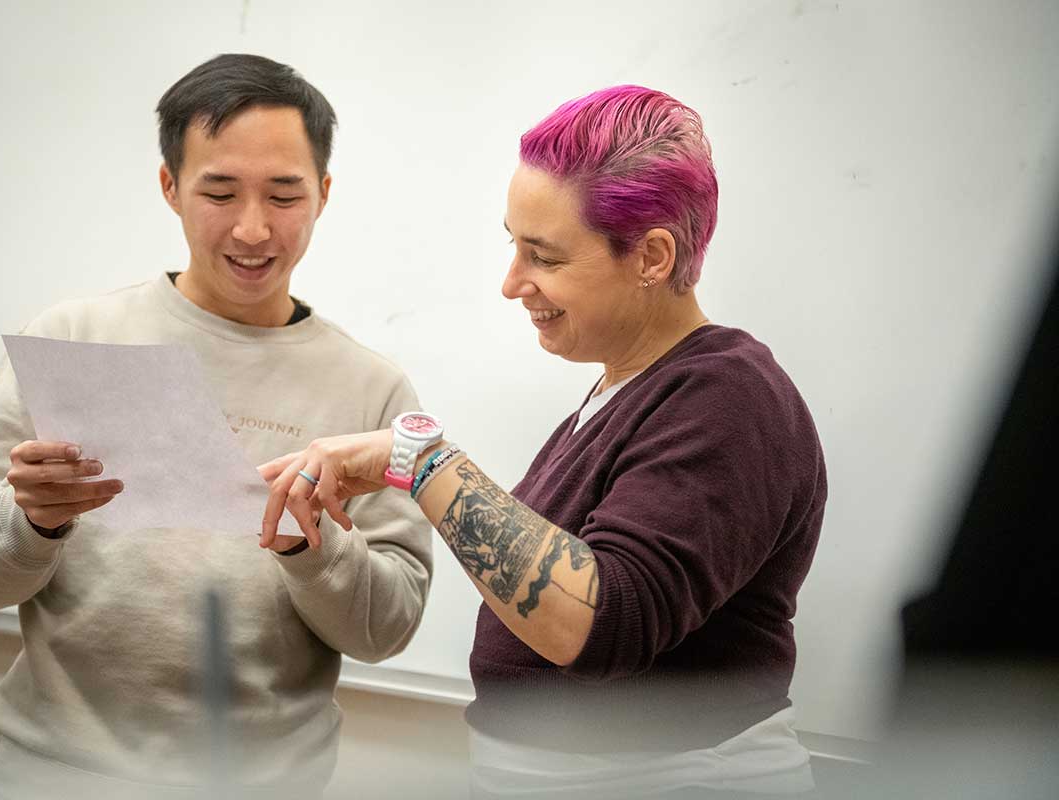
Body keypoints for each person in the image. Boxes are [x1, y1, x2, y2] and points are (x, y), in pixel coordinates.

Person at [260, 85, 827, 797]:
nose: (512, 282)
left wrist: (423, 461)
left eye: (545, 257)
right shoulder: (619, 399)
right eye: (513, 246)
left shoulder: (729, 397)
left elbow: (594, 622)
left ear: (652, 255)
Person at [0, 54, 432, 799]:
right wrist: (32, 518)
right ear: (169, 186)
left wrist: (312, 544)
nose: (253, 228)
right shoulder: (76, 337)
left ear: (324, 195)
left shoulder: (372, 388)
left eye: (286, 194)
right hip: (54, 774)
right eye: (220, 192)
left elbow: (384, 630)